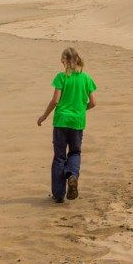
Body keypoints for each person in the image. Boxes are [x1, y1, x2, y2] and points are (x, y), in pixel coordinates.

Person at [37, 47, 97, 203]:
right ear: (78, 59)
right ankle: (72, 175)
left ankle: (58, 195)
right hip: (77, 122)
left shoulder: (61, 77)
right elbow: (93, 103)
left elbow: (55, 101)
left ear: (64, 60)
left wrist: (43, 116)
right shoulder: (86, 78)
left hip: (61, 121)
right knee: (75, 153)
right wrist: (80, 110)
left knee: (59, 157)